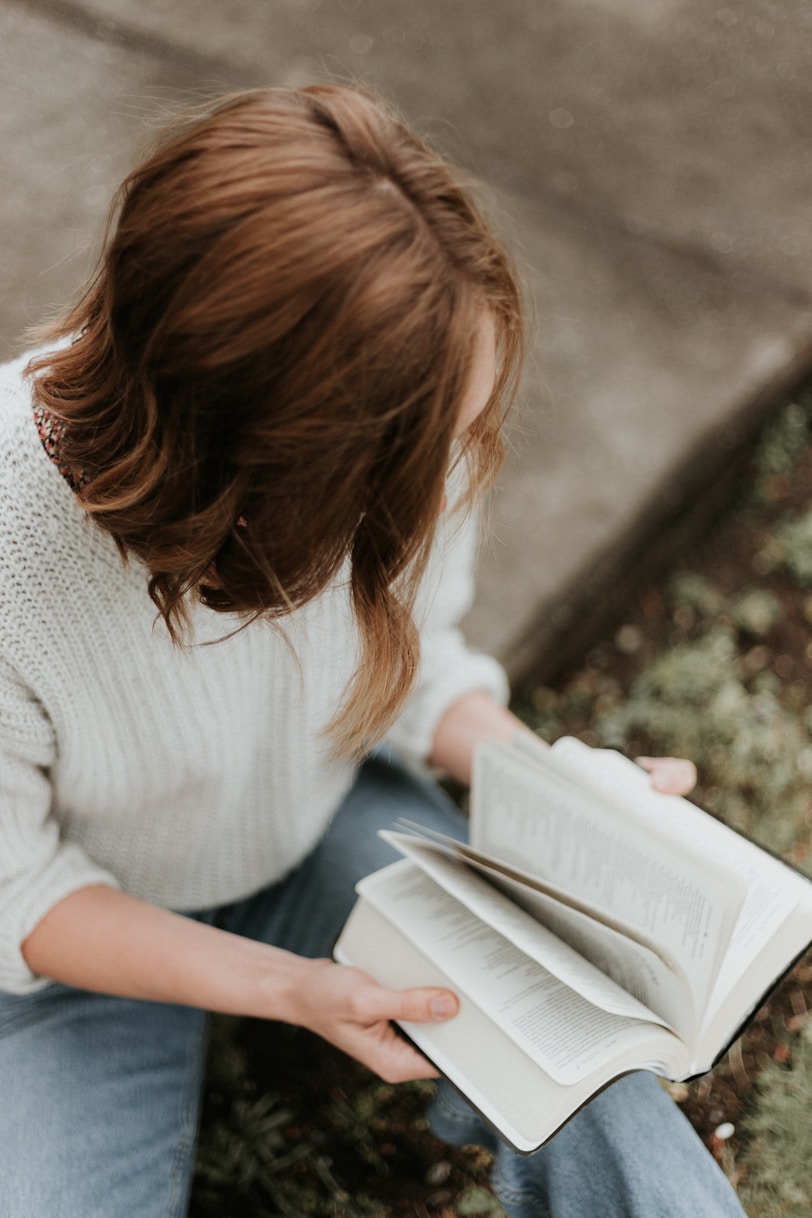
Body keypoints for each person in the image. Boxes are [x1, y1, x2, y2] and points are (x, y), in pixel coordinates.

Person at [0, 85, 746, 1218]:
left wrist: (554, 791)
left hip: (321, 834)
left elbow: (412, 672)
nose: (456, 463)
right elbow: (24, 894)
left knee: (600, 1091)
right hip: (73, 946)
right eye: (421, 452)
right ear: (270, 454)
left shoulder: (423, 402)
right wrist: (294, 991)